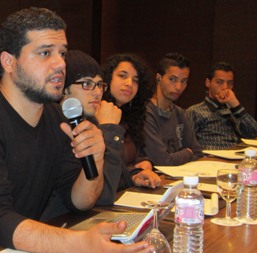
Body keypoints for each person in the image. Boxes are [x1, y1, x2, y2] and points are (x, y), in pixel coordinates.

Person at [0, 8, 154, 253]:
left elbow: (78, 200)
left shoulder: (56, 119)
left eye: (62, 53)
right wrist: (79, 243)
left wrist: (93, 161)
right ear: (8, 61)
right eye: (45, 53)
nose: (60, 64)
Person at [62, 50, 161, 205]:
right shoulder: (65, 128)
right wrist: (109, 129)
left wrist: (133, 176)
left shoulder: (93, 120)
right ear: (64, 89)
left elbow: (115, 170)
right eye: (87, 84)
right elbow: (103, 195)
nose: (97, 92)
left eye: (100, 85)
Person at [101, 53, 158, 181]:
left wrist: (145, 162)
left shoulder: (131, 115)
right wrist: (133, 173)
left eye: (135, 80)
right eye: (122, 76)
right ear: (108, 78)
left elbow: (134, 157)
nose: (129, 83)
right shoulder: (98, 113)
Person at [142, 53, 203, 166]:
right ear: (159, 78)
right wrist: (187, 153)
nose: (178, 87)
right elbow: (163, 160)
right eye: (173, 79)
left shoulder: (178, 112)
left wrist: (185, 154)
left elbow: (197, 151)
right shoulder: (146, 112)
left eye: (184, 81)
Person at [185, 61, 257, 150]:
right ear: (208, 83)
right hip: (212, 159)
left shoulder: (234, 110)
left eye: (230, 83)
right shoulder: (195, 111)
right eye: (219, 82)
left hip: (237, 156)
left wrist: (235, 104)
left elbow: (255, 132)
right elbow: (187, 144)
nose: (225, 87)